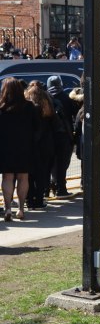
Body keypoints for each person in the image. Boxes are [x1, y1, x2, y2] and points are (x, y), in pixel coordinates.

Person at [0, 78, 39, 221]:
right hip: (25, 146)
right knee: (23, 177)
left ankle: (8, 208)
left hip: (5, 147)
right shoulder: (30, 107)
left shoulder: (1, 107)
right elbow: (37, 128)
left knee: (7, 177)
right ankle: (21, 208)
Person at [24, 81, 55, 210]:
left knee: (29, 175)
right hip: (45, 143)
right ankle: (39, 200)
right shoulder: (47, 104)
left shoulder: (27, 107)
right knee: (41, 173)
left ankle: (29, 199)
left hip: (29, 144)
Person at [47, 75, 78, 198]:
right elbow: (75, 115)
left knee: (48, 163)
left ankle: (46, 189)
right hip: (65, 135)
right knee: (62, 164)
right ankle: (61, 189)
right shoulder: (67, 98)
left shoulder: (45, 97)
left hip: (48, 135)